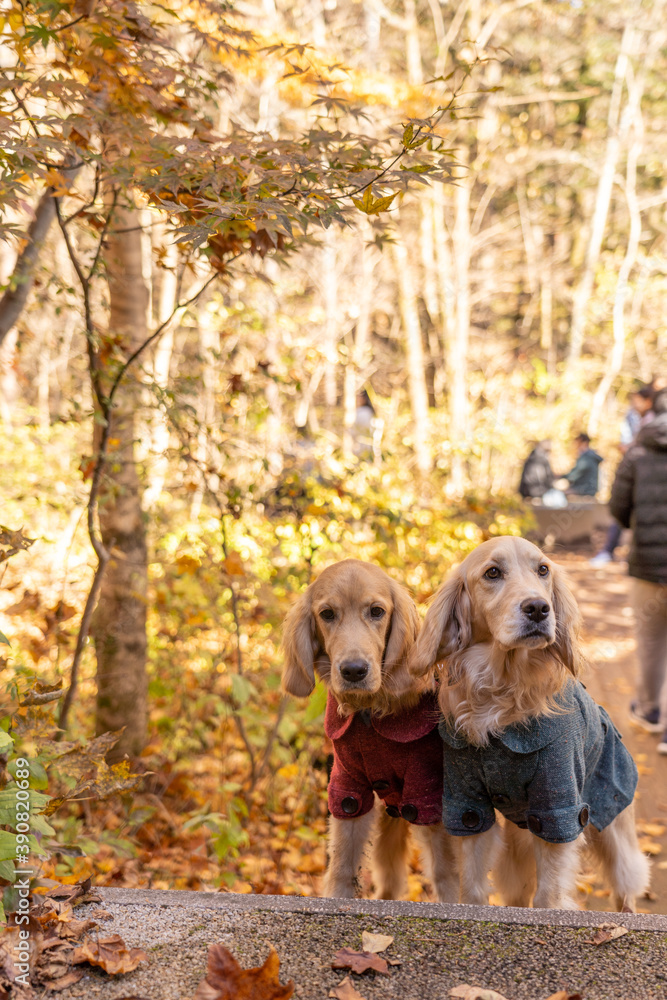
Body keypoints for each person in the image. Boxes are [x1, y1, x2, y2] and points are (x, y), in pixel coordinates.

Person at [609, 386, 667, 755]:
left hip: (647, 565)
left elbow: (616, 508)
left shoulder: (637, 453)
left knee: (650, 640)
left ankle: (649, 710)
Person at [591, 385, 654, 567]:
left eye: (637, 400)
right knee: (622, 515)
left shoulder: (650, 422)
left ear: (647, 401)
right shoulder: (636, 418)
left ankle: (614, 552)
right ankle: (611, 551)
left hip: (644, 477)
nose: (633, 404)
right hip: (638, 475)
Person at [561, 433, 603, 497]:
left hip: (586, 489)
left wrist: (562, 476)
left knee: (561, 494)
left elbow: (574, 475)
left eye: (578, 443)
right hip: (587, 488)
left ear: (584, 443)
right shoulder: (589, 456)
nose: (576, 446)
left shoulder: (587, 458)